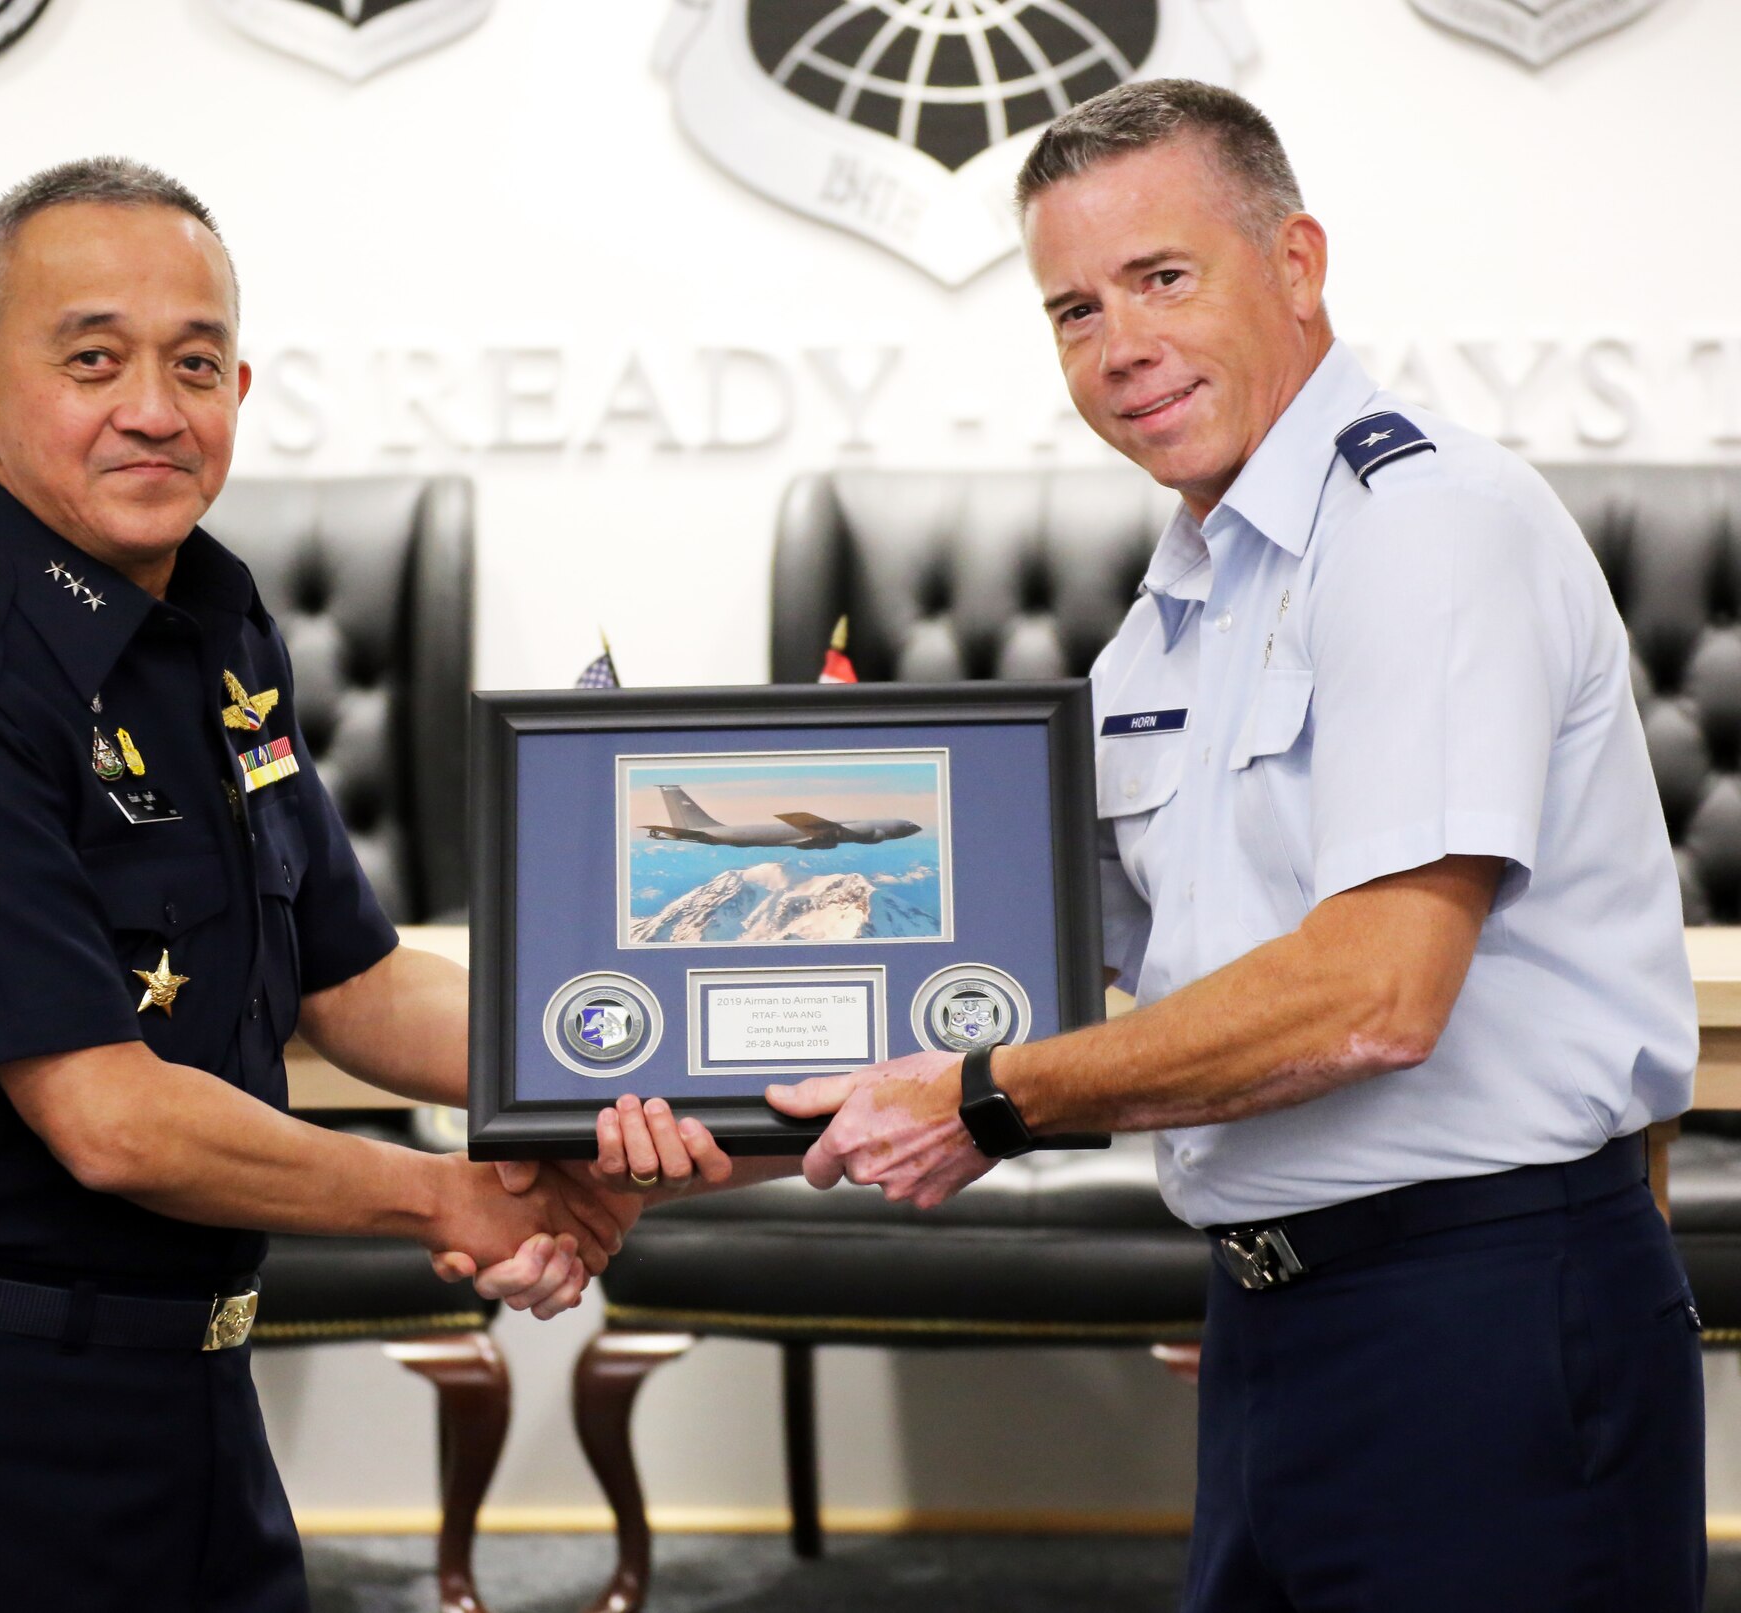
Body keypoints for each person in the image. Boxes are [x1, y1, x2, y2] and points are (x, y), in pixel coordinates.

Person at [619, 80, 1705, 1610]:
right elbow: (997, 980)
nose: (1117, 345)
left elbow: (1374, 991)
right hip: (1280, 1320)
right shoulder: (1176, 608)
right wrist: (643, 1162)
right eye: (1071, 310)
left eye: (1162, 278)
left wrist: (986, 1099)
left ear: (1300, 263)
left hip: (1484, 1321)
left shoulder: (1423, 527)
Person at [0, 157, 638, 1613]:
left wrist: (612, 1068)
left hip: (197, 1404)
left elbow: (350, 975)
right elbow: (109, 1120)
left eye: (197, 362)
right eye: (92, 359)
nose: (155, 406)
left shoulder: (216, 633)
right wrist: (444, 1196)